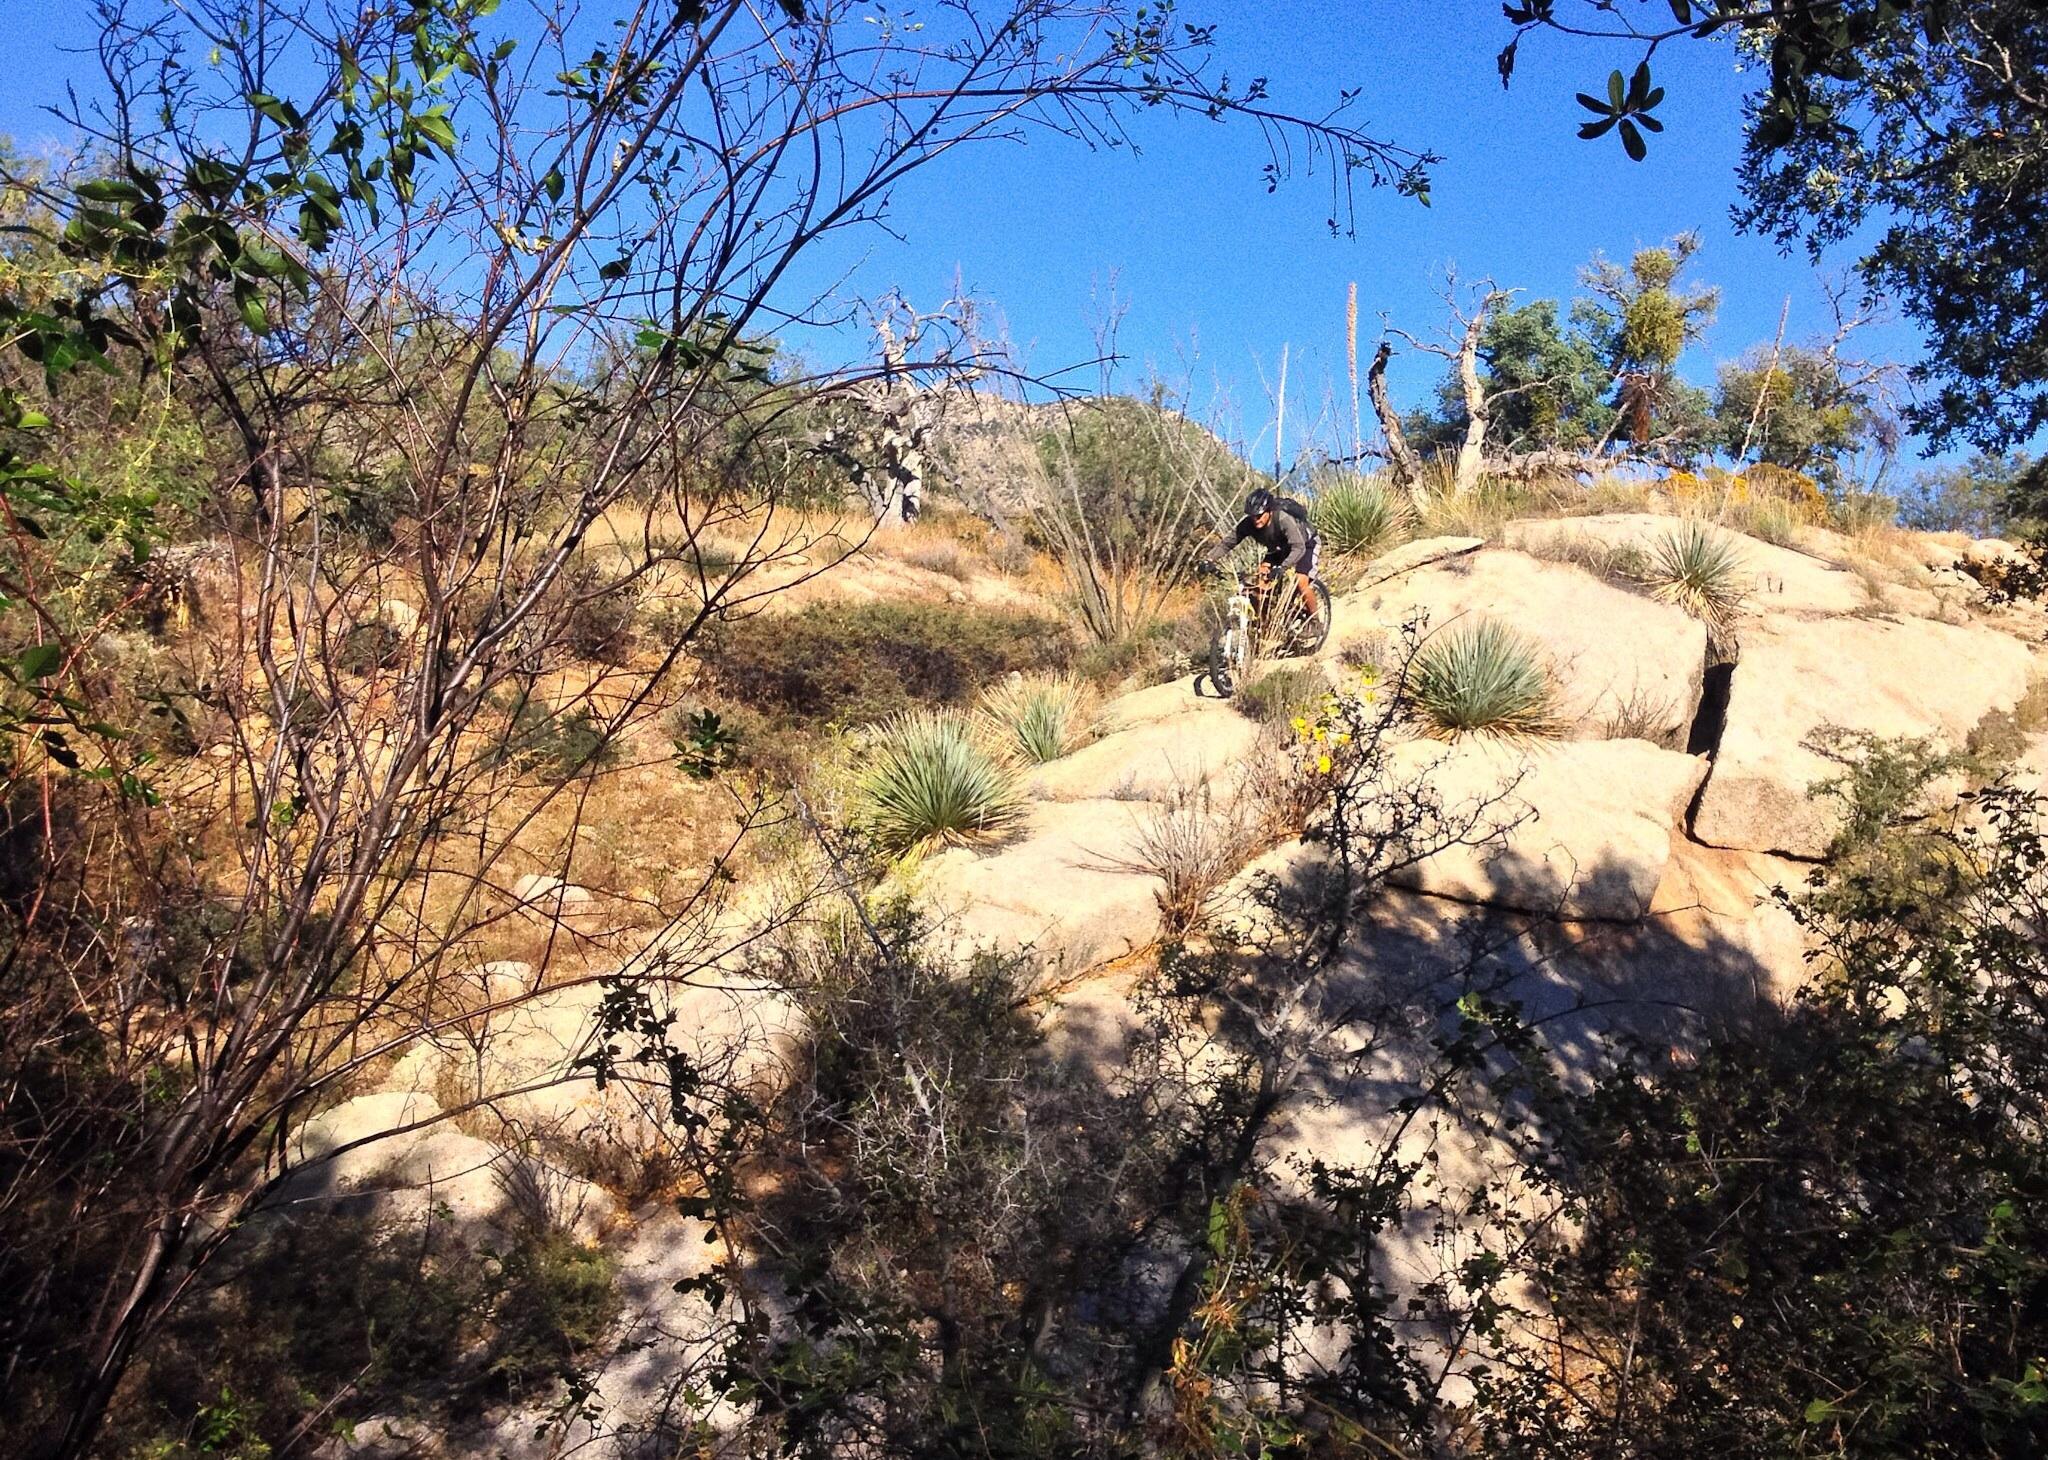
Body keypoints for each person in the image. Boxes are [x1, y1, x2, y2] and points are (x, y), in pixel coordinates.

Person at [1207, 486, 1320, 618]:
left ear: (1269, 511)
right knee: (1260, 582)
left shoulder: (1283, 519)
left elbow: (1298, 547)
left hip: (1305, 544)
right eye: (1252, 516)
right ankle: (1268, 624)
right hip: (1279, 549)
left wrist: (1282, 568)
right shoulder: (1248, 524)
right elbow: (1227, 544)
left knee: (1301, 580)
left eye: (1259, 515)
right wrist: (1209, 559)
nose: (1256, 520)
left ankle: (1314, 620)